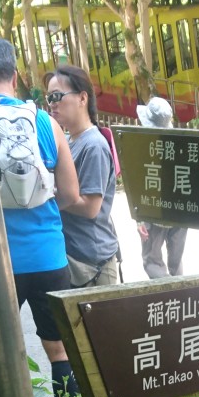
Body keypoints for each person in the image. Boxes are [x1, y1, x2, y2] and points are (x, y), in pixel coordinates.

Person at [0, 36, 83, 397]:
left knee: (0, 350)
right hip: (48, 255)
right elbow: (70, 194)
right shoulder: (44, 122)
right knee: (60, 350)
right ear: (15, 74)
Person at [46, 65, 121, 290]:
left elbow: (90, 207)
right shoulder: (69, 140)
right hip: (78, 260)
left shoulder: (93, 145)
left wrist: (48, 196)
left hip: (92, 264)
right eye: (49, 98)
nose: (52, 103)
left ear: (82, 98)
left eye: (58, 96)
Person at [134, 96, 188, 278]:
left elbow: (138, 185)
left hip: (153, 214)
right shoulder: (181, 146)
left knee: (152, 261)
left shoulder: (141, 147)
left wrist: (139, 219)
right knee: (176, 260)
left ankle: (167, 300)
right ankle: (181, 296)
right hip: (180, 213)